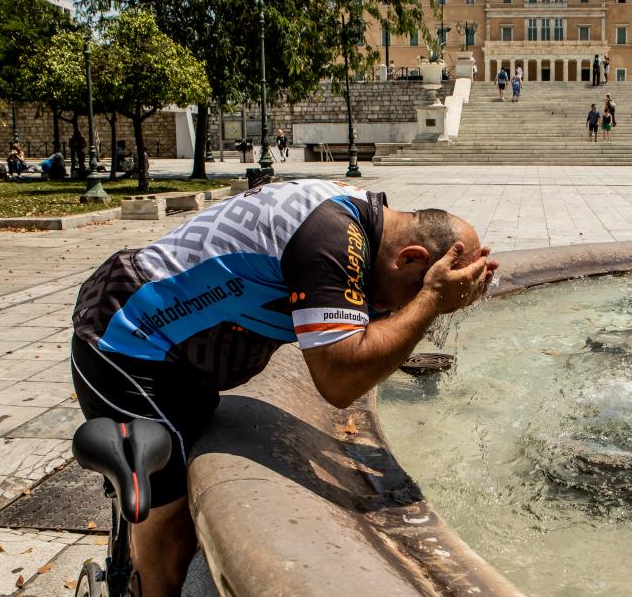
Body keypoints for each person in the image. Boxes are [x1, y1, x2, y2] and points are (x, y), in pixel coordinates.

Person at [71, 179, 496, 597]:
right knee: (170, 519)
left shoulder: (359, 222)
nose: (402, 307)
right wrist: (431, 301)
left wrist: (430, 294)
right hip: (127, 341)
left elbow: (363, 324)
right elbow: (340, 380)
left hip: (180, 358)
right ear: (410, 258)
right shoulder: (329, 237)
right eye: (413, 290)